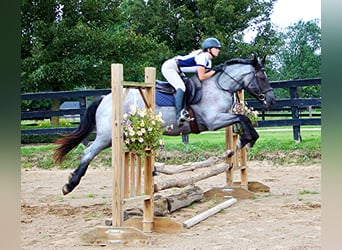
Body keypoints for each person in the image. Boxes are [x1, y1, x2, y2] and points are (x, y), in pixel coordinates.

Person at [161, 37, 224, 127]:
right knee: (181, 87)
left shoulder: (208, 61)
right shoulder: (203, 57)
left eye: (218, 48)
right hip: (170, 67)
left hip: (179, 70)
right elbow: (202, 76)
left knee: (187, 86)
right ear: (209, 49)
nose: (218, 50)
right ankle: (179, 115)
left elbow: (207, 75)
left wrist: (216, 71)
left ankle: (186, 110)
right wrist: (214, 70)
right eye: (216, 48)